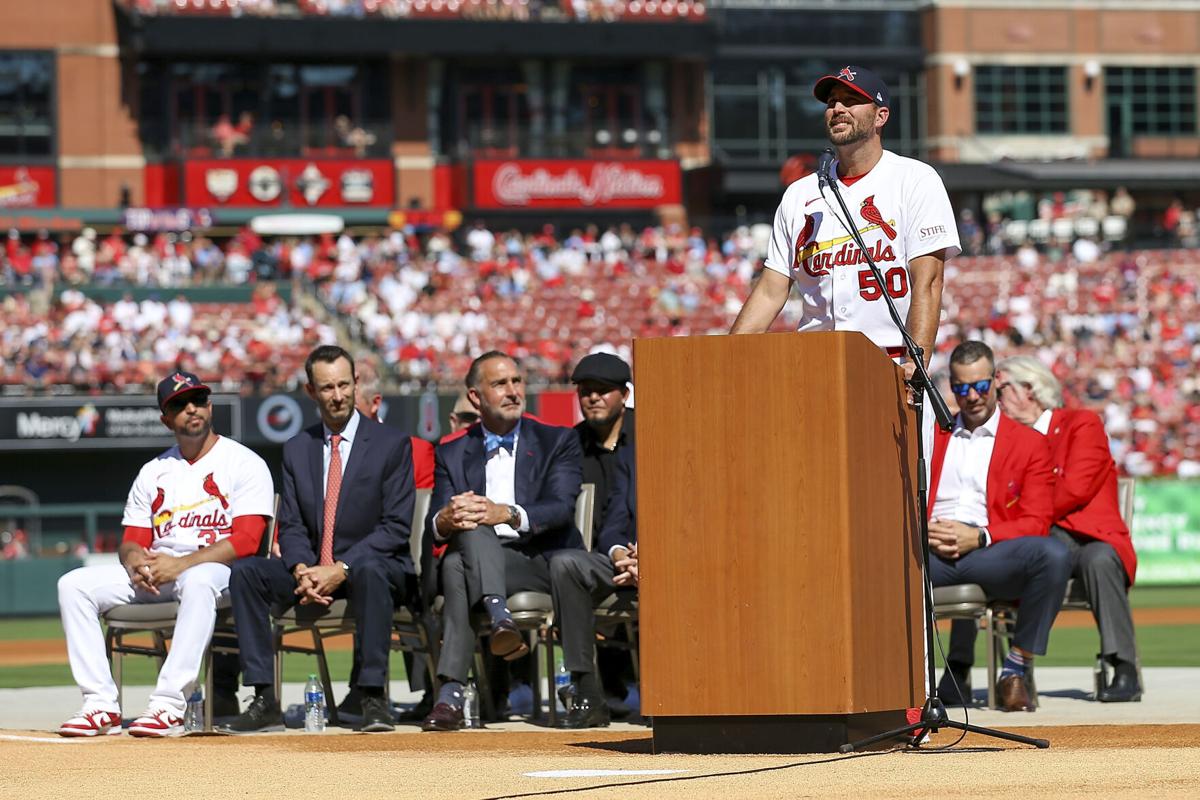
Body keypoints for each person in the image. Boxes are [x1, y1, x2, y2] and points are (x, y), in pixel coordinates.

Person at [57, 372, 274, 737]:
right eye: (178, 404)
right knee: (73, 584)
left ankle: (169, 703)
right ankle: (100, 704)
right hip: (160, 574)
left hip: (217, 571)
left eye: (198, 399)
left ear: (210, 405)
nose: (191, 408)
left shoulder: (243, 462)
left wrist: (182, 564)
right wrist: (135, 563)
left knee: (199, 580)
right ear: (165, 418)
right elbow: (132, 540)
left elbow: (249, 540)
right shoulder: (154, 471)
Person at [219, 345, 416, 734]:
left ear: (357, 383)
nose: (338, 395)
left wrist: (340, 569)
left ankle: (372, 696)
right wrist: (302, 569)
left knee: (373, 569)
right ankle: (263, 696)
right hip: (311, 569)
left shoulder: (391, 444)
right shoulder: (297, 447)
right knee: (246, 573)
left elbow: (395, 528)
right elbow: (290, 523)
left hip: (371, 568)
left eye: (344, 384)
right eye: (327, 388)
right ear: (311, 392)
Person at [729, 65, 960, 381]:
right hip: (812, 363)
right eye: (832, 102)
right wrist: (727, 357)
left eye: (851, 100)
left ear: (881, 116)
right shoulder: (800, 193)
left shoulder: (915, 179)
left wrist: (915, 363)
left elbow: (929, 281)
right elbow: (771, 291)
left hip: (888, 360)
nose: (837, 108)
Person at [421, 352, 583, 731]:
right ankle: (500, 619)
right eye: (500, 384)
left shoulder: (556, 439)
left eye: (516, 381)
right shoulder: (451, 450)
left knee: (461, 554)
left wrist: (506, 513)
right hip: (480, 561)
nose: (513, 391)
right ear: (475, 398)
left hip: (538, 560)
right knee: (463, 537)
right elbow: (439, 519)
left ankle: (451, 693)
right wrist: (444, 520)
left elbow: (560, 509)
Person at [928, 341, 1072, 712]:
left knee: (1054, 554)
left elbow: (1037, 520)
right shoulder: (929, 434)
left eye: (980, 385)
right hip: (927, 551)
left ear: (996, 381)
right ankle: (904, 679)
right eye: (961, 388)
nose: (972, 396)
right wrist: (921, 527)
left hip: (988, 551)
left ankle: (1014, 669)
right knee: (869, 560)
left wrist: (980, 536)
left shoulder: (1029, 443)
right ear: (952, 388)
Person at [991, 355, 1141, 701]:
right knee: (985, 548)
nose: (994, 399)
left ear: (1029, 389)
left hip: (1091, 536)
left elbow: (1075, 488)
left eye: (1001, 389)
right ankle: (989, 666)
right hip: (1049, 539)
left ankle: (1123, 667)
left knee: (1099, 560)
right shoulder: (1010, 441)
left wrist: (1024, 519)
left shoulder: (1081, 423)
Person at [330, 360, 437, 722]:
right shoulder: (324, 448)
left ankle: (384, 691)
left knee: (375, 574)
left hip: (395, 560)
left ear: (374, 404)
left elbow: (411, 517)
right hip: (339, 563)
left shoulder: (412, 448)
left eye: (351, 396)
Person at [547, 353, 640, 727]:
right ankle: (586, 692)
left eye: (604, 391)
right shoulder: (570, 444)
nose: (594, 398)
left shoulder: (652, 435)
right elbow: (613, 522)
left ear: (625, 394)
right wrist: (621, 554)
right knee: (565, 565)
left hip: (667, 558)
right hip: (609, 559)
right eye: (586, 391)